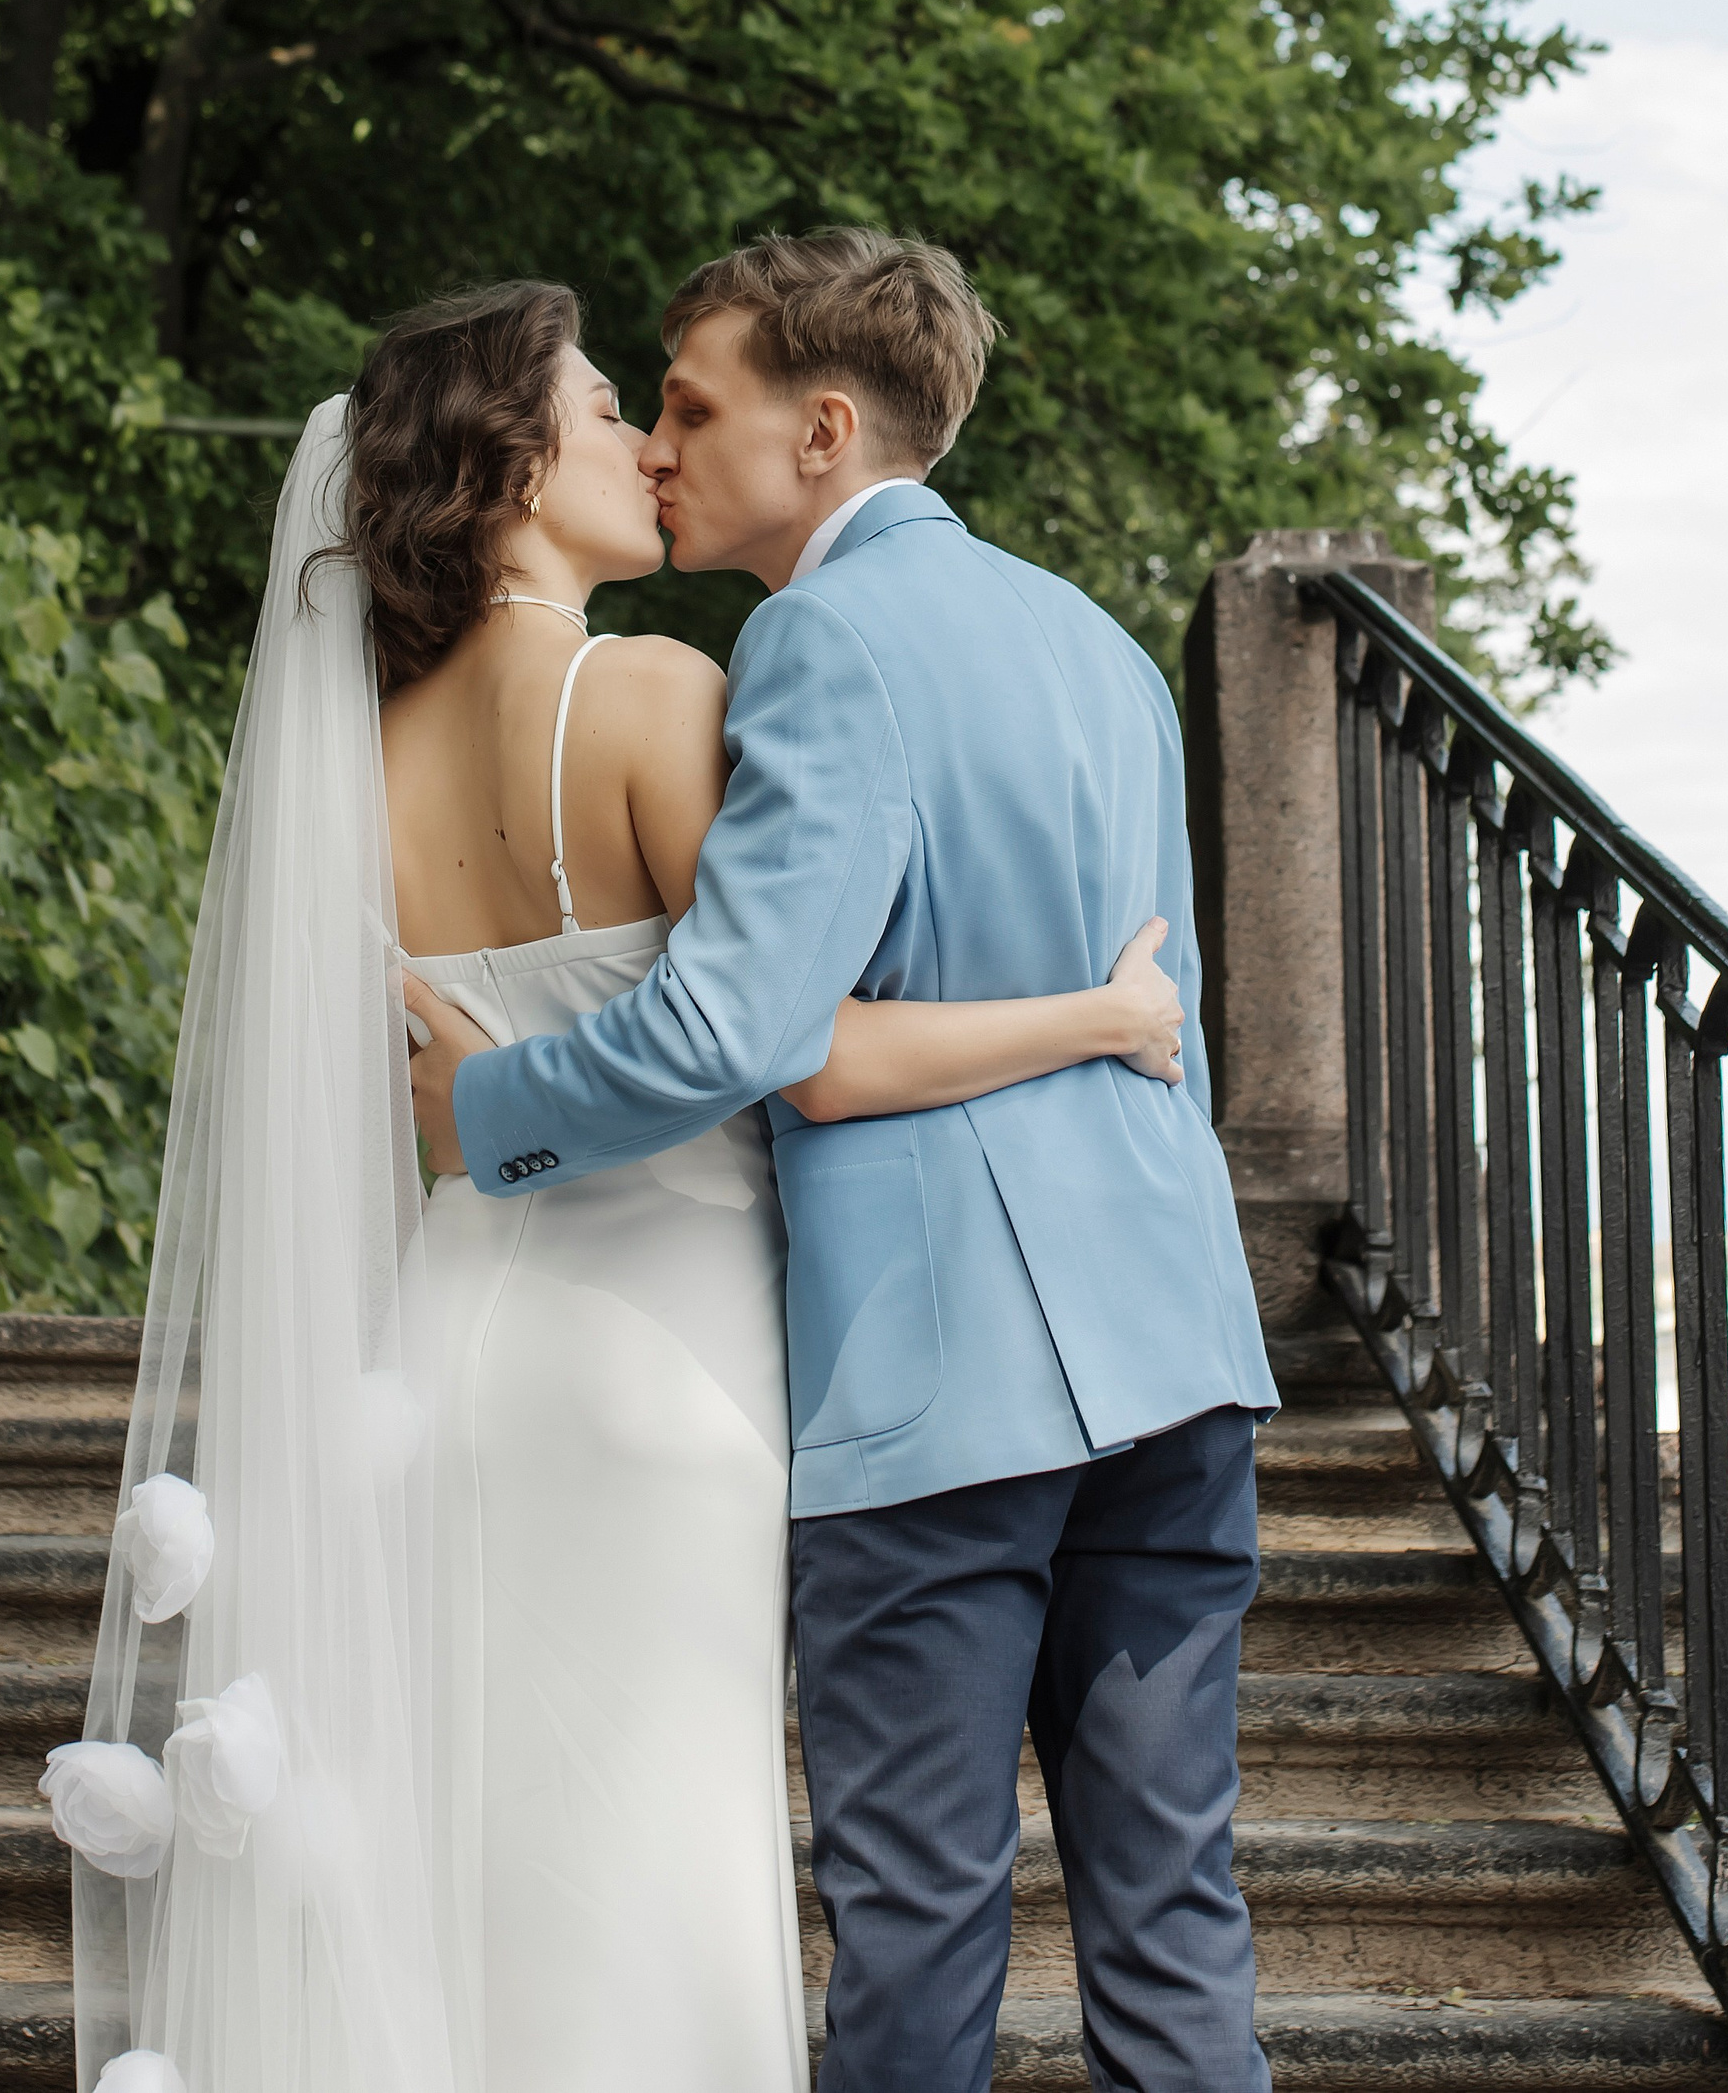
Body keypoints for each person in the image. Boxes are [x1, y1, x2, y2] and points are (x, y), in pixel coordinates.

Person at [46, 272, 1189, 2093]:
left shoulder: (349, 755)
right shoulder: (660, 693)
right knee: (651, 1871)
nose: (649, 451)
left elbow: (409, 1094)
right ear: (507, 472)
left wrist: (478, 1100)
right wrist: (1104, 1015)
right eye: (604, 417)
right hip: (667, 1358)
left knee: (466, 1869)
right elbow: (781, 1042)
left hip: (443, 1358)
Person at [408, 228, 1279, 2093]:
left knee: (918, 1911)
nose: (657, 441)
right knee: (1173, 1908)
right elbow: (1158, 1013)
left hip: (946, 1387)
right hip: (1179, 1352)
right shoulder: (1108, 650)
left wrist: (481, 1118)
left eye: (694, 405)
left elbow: (743, 1031)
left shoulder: (818, 638)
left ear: (820, 430)